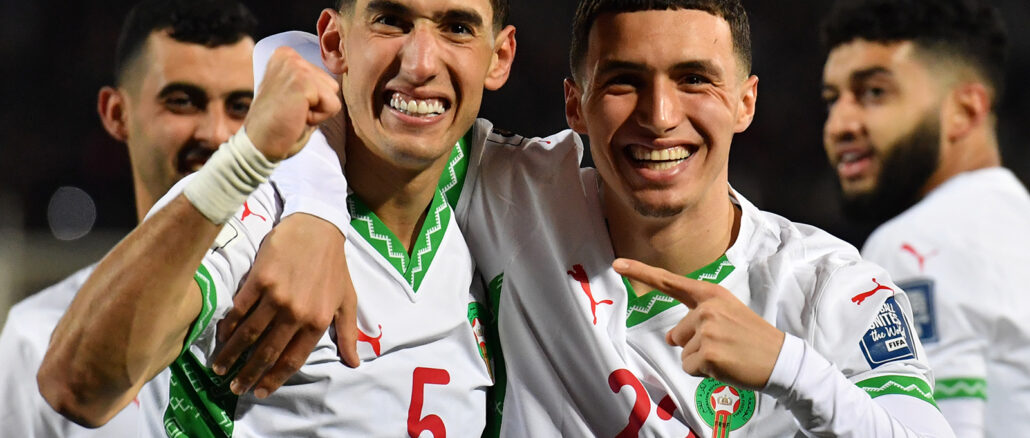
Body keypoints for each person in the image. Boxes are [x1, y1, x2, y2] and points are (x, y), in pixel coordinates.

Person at [244, 0, 955, 435]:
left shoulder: (833, 290)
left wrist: (789, 368)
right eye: (624, 82)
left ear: (746, 102)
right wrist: (315, 211)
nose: (660, 116)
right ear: (575, 105)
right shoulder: (517, 194)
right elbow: (290, 55)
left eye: (694, 79)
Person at [37, 0, 515, 436]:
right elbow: (76, 386)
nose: (420, 64)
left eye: (457, 28)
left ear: (499, 57)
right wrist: (246, 166)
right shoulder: (255, 207)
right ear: (335, 42)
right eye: (390, 21)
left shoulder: (501, 197)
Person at [0, 1, 256, 436]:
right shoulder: (38, 337)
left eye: (240, 107)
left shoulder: (315, 313)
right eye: (182, 102)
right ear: (117, 114)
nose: (216, 134)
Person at [821, 0, 1030, 435]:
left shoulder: (916, 244)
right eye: (832, 100)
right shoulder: (1016, 223)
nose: (839, 124)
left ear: (965, 110)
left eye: (874, 92)